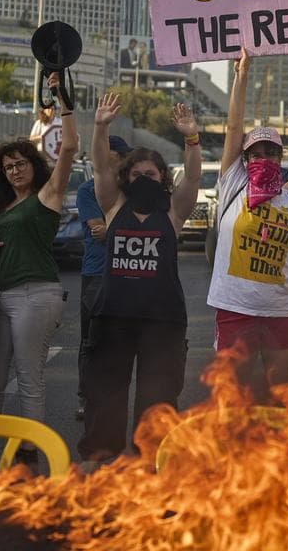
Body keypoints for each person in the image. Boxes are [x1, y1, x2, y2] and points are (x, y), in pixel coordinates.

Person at [77, 95, 202, 461]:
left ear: (162, 177)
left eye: (150, 174)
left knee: (159, 402)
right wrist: (100, 127)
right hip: (113, 318)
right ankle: (103, 463)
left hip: (162, 322)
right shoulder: (114, 206)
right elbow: (100, 168)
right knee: (105, 397)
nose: (143, 179)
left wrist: (192, 139)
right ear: (126, 179)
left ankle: (152, 464)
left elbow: (193, 175)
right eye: (136, 174)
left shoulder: (174, 211)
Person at [206, 49, 288, 395]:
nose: (264, 158)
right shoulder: (233, 185)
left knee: (278, 395)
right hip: (237, 309)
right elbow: (234, 127)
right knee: (232, 395)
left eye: (271, 152)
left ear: (281, 157)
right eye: (256, 153)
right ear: (245, 158)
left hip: (285, 309)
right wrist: (241, 75)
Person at [0, 74, 78, 443]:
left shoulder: (47, 196)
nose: (15, 170)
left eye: (20, 163)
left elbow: (68, 148)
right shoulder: (0, 207)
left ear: (34, 165)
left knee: (28, 378)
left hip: (35, 295)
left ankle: (26, 454)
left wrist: (62, 101)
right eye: (8, 167)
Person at [72, 133, 134, 421]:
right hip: (96, 274)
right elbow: (98, 231)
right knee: (91, 342)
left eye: (114, 160)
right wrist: (121, 230)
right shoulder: (87, 190)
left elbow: (120, 232)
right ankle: (87, 396)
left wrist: (115, 231)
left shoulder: (133, 190)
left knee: (123, 342)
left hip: (128, 273)